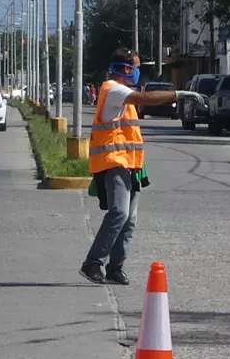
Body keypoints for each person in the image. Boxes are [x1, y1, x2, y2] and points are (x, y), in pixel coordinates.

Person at [79, 47, 184, 286]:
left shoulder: (123, 93)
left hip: (131, 164)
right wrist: (177, 94)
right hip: (115, 162)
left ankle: (116, 267)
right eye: (136, 67)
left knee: (130, 220)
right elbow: (146, 98)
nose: (138, 72)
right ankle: (93, 262)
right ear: (126, 69)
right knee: (120, 212)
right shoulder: (113, 89)